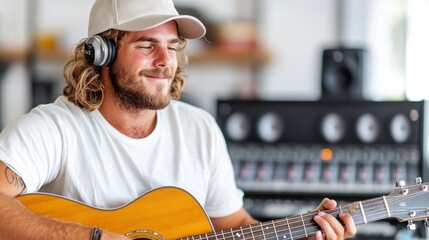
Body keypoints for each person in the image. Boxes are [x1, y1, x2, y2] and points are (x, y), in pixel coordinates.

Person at [0, 0, 357, 239]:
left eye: (172, 46)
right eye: (146, 45)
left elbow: (234, 226)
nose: (164, 60)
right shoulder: (54, 129)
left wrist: (302, 231)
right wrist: (95, 236)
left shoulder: (199, 129)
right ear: (102, 53)